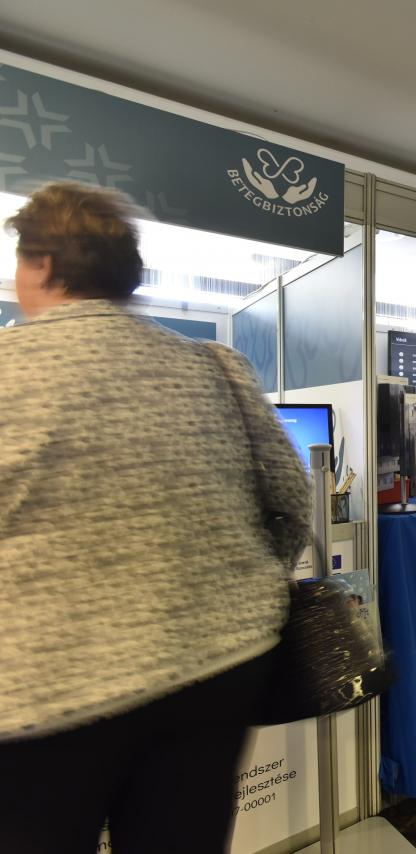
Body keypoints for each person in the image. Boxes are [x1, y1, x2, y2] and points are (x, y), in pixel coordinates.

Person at [0, 182, 311, 852]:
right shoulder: (215, 368)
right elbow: (290, 504)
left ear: (44, 264)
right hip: (217, 665)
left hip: (41, 691)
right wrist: (241, 585)